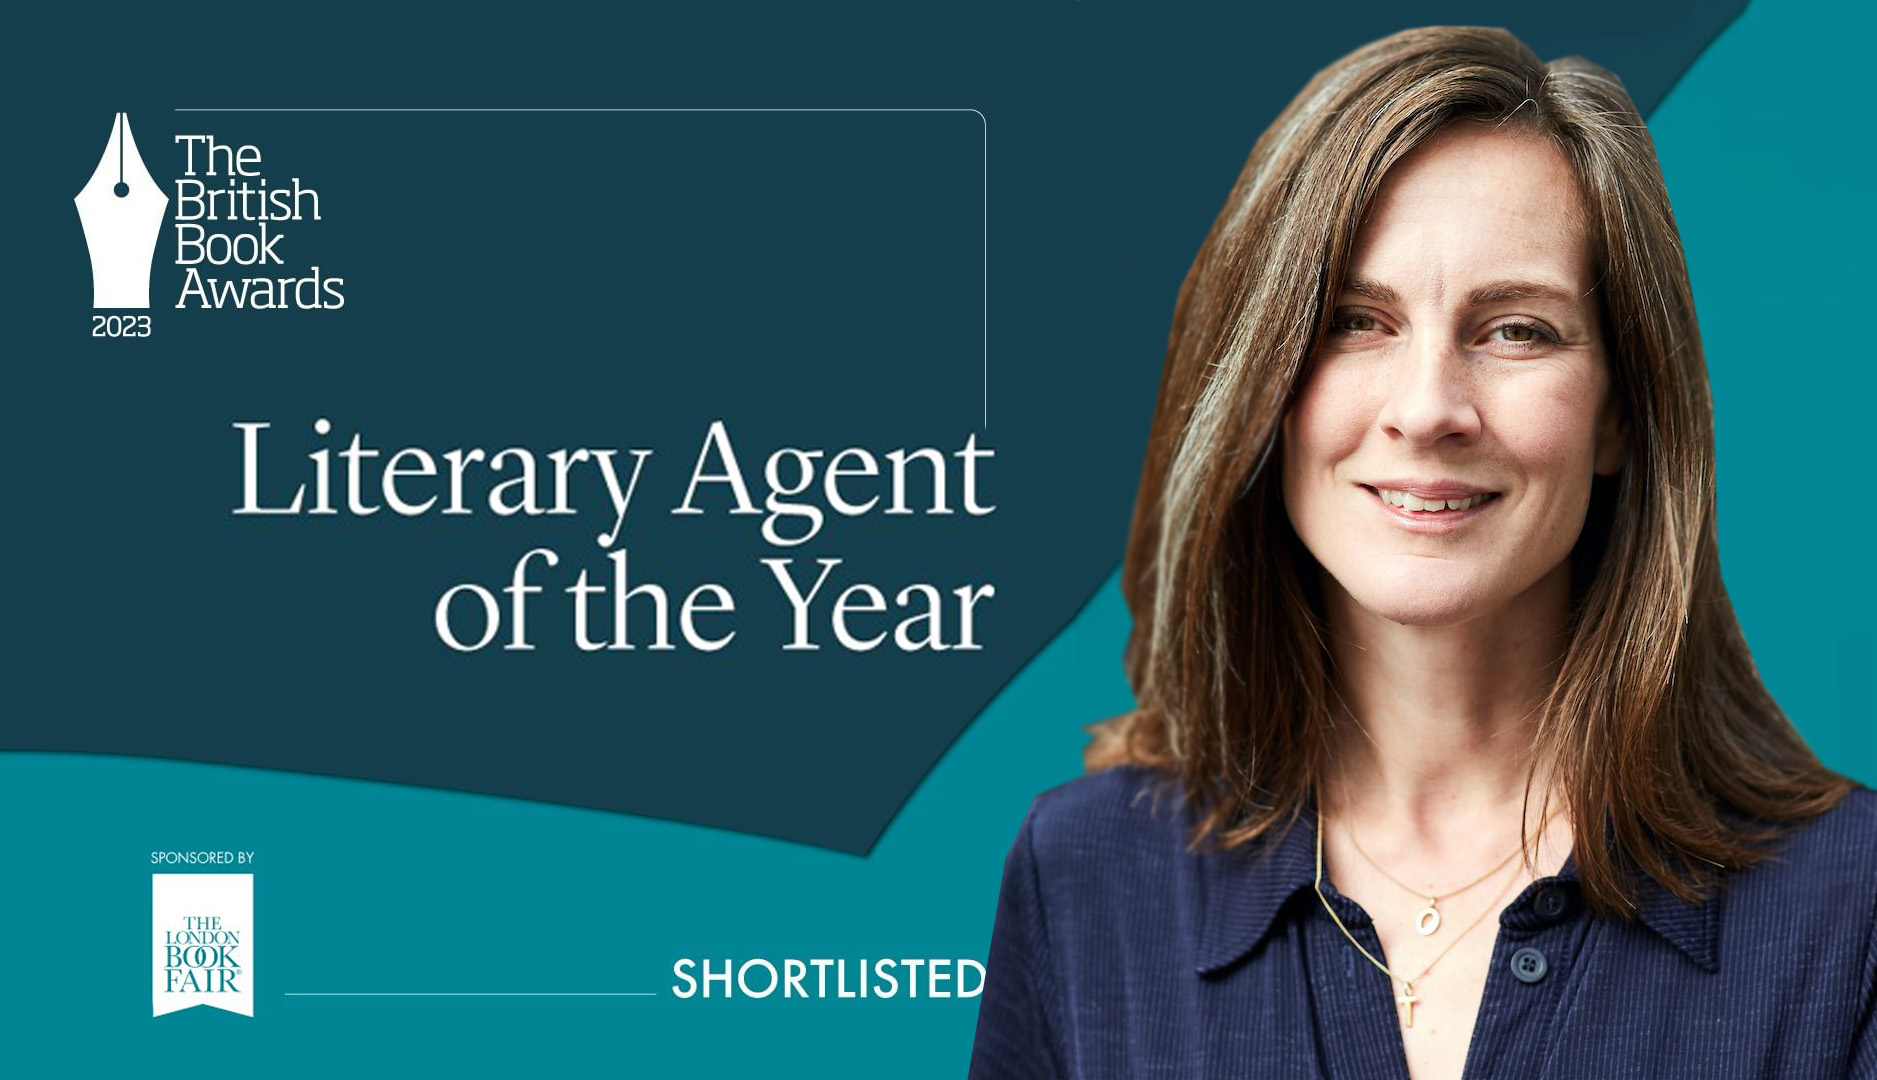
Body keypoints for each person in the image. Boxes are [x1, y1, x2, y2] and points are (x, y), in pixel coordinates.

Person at [968, 25, 1875, 1080]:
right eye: (1355, 321)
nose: (1427, 408)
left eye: (1515, 330)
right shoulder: (1083, 875)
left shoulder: (1848, 907)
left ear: (1619, 412)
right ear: (1260, 382)